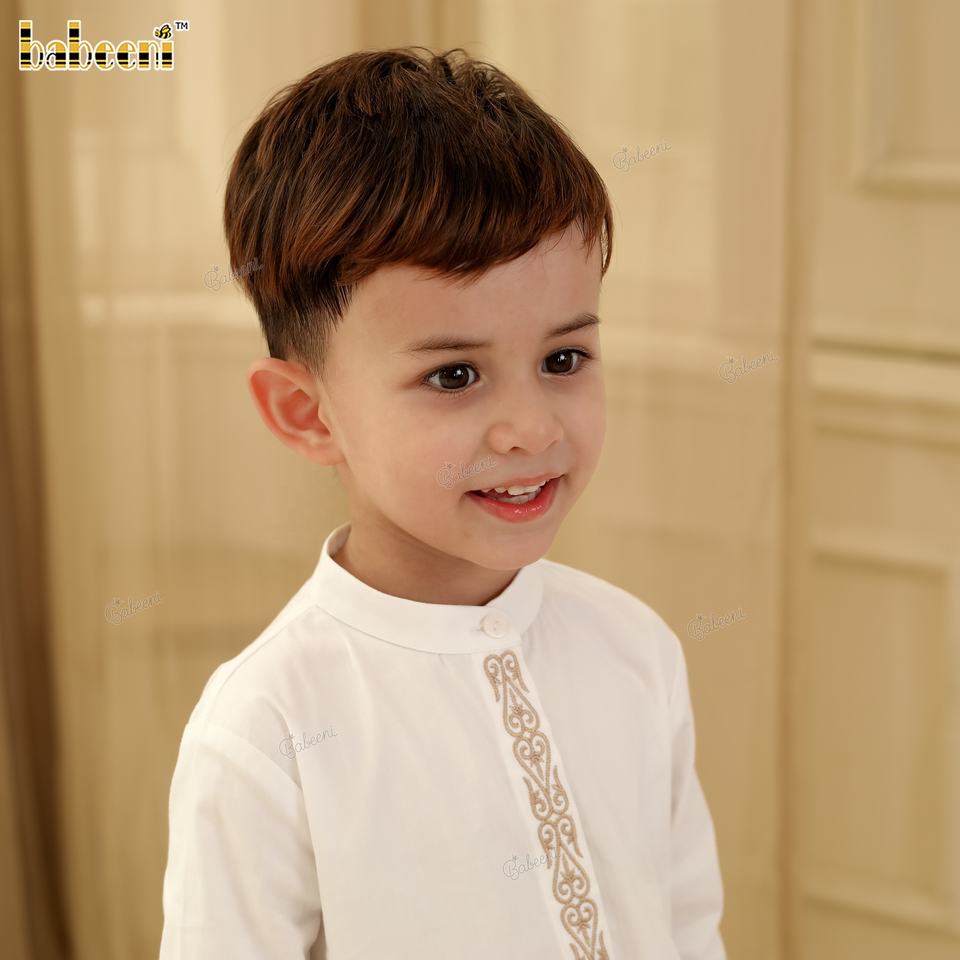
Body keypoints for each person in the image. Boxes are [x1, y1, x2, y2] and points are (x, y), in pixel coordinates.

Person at [159, 46, 726, 960]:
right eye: (454, 375)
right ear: (308, 413)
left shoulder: (636, 651)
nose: (530, 428)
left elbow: (690, 927)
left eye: (564, 359)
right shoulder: (269, 728)